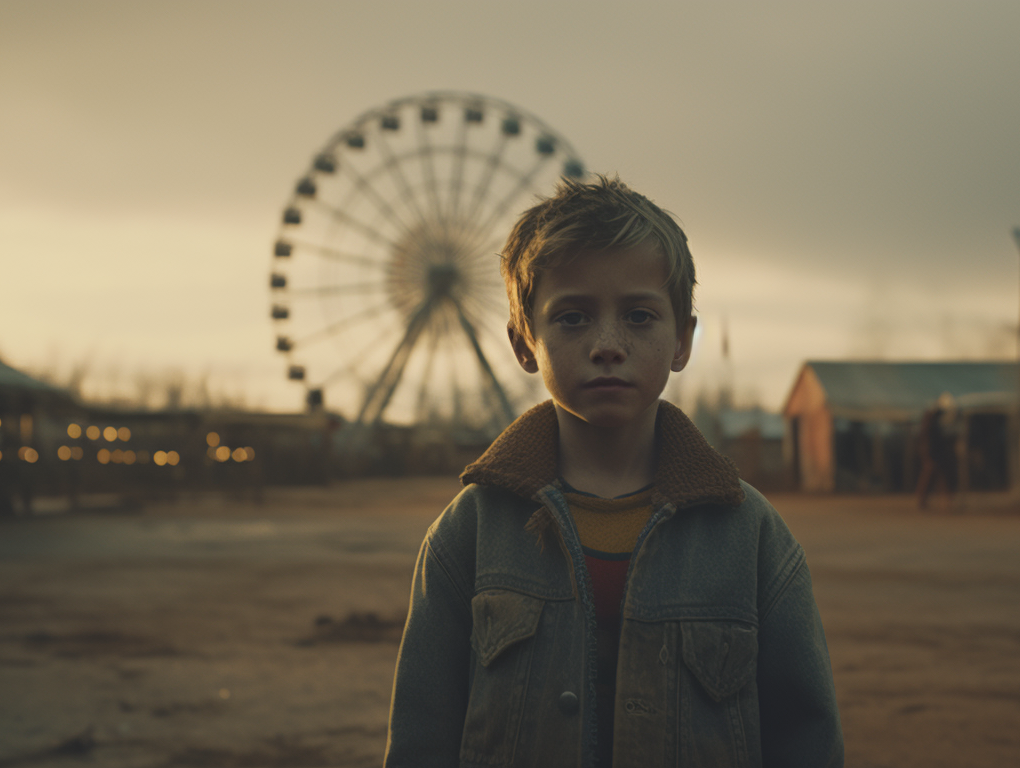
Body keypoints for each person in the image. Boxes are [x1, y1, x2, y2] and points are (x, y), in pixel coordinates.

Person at [384, 175, 843, 767]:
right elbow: (421, 738)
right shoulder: (468, 536)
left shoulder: (752, 538)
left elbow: (806, 737)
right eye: (572, 318)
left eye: (639, 317)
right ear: (525, 344)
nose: (607, 344)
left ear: (682, 341)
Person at [914, 397, 955, 510]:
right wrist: (927, 455)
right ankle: (923, 501)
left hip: (935, 452)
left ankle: (945, 502)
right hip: (931, 453)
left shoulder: (934, 420)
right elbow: (926, 438)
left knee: (940, 477)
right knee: (929, 476)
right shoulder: (930, 420)